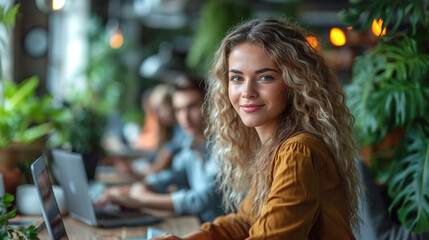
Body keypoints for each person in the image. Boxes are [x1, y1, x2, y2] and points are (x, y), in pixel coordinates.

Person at [153, 17, 361, 240]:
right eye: (237, 78)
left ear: (296, 83)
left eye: (264, 77)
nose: (247, 91)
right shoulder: (274, 148)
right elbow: (244, 221)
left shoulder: (297, 152)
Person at [96, 75, 224, 223]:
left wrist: (142, 199)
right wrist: (130, 191)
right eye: (179, 109)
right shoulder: (190, 145)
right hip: (203, 229)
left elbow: (202, 199)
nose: (185, 117)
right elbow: (171, 175)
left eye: (192, 107)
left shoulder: (224, 146)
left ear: (209, 105)